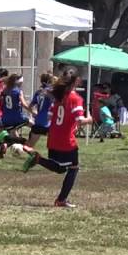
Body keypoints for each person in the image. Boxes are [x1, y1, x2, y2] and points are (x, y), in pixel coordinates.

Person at [22, 69, 92, 208]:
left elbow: (49, 116)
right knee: (74, 168)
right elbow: (79, 119)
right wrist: (89, 119)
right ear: (76, 82)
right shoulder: (75, 98)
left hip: (53, 137)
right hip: (66, 139)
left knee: (60, 168)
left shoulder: (59, 97)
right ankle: (61, 200)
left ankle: (39, 160)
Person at [0, 74, 29, 156]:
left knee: (7, 134)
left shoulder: (4, 89)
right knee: (3, 136)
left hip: (1, 116)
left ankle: (9, 145)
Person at [26, 73, 54, 149]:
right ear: (49, 81)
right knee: (55, 144)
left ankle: (19, 149)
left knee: (29, 145)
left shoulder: (38, 92)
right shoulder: (51, 92)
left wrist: (33, 112)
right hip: (48, 122)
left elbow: (30, 106)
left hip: (38, 121)